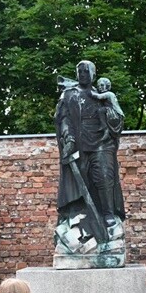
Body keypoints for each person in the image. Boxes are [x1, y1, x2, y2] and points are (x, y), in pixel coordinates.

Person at [55, 60, 126, 241]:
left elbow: (117, 118)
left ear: (93, 74)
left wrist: (113, 118)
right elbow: (62, 118)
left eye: (86, 72)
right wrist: (67, 135)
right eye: (80, 72)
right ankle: (80, 216)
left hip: (101, 143)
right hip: (78, 142)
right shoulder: (69, 94)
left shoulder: (102, 93)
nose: (83, 75)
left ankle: (108, 213)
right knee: (82, 181)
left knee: (104, 176)